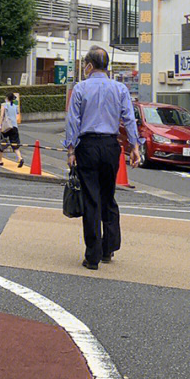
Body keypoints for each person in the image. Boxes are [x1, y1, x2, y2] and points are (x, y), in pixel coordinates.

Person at [64, 44, 141, 270]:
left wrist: (71, 150)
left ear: (89, 65)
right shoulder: (120, 89)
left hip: (87, 146)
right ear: (106, 65)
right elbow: (129, 119)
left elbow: (73, 122)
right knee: (109, 196)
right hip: (110, 145)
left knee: (91, 200)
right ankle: (108, 249)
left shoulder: (80, 88)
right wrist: (135, 147)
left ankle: (93, 256)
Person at [0, 91, 23, 166]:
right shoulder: (15, 106)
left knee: (1, 142)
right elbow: (16, 115)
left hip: (6, 126)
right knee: (15, 143)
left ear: (7, 98)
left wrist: (0, 125)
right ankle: (20, 158)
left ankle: (0, 160)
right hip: (14, 126)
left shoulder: (4, 105)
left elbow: (2, 116)